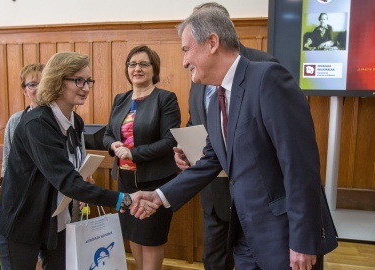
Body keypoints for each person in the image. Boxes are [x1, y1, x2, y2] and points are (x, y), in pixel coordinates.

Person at [130, 8, 338, 270]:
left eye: (186, 50)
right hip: (244, 236)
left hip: (284, 239)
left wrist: (304, 240)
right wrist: (159, 196)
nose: (184, 62)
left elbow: (300, 166)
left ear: (212, 43)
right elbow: (211, 160)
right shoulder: (215, 99)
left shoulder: (268, 78)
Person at [0, 51, 155, 270]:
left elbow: (69, 171)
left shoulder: (75, 121)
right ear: (57, 81)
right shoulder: (37, 123)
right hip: (22, 222)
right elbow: (66, 181)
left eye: (88, 81)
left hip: (55, 220)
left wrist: (81, 176)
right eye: (78, 80)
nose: (86, 88)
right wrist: (124, 200)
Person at [172, 3, 279, 270]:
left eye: (188, 48)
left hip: (258, 200)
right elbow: (198, 124)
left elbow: (290, 151)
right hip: (213, 192)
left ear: (215, 36)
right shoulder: (199, 82)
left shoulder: (265, 68)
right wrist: (185, 148)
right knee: (215, 261)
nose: (185, 61)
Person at [103, 45, 181, 270]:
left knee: (151, 237)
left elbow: (169, 141)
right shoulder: (120, 99)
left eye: (143, 64)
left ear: (154, 68)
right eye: (132, 64)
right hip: (125, 180)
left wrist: (133, 153)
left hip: (155, 182)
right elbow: (107, 133)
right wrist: (113, 144)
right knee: (133, 235)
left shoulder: (165, 99)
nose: (137, 68)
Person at [0, 63, 44, 185]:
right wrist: (3, 189)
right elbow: (7, 159)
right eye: (33, 85)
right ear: (25, 90)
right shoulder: (16, 120)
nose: (39, 88)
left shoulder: (64, 118)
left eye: (44, 83)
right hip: (23, 187)